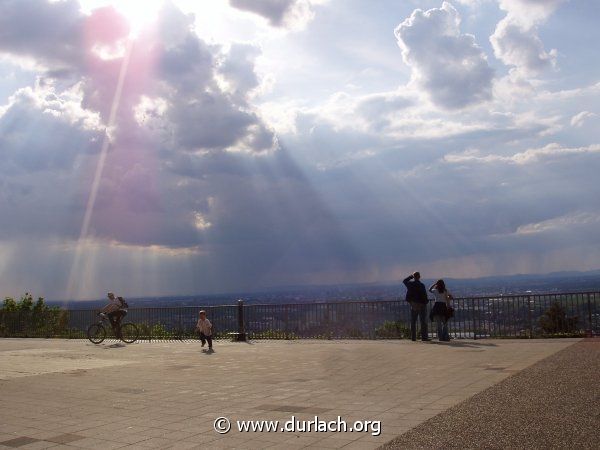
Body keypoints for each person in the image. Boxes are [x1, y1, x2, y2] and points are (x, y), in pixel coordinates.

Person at [403, 272, 430, 341]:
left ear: (414, 277)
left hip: (414, 305)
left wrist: (410, 276)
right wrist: (425, 302)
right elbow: (424, 295)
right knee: (423, 321)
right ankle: (424, 337)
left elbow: (404, 281)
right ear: (419, 277)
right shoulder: (422, 285)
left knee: (413, 321)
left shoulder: (410, 284)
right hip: (422, 305)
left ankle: (413, 337)